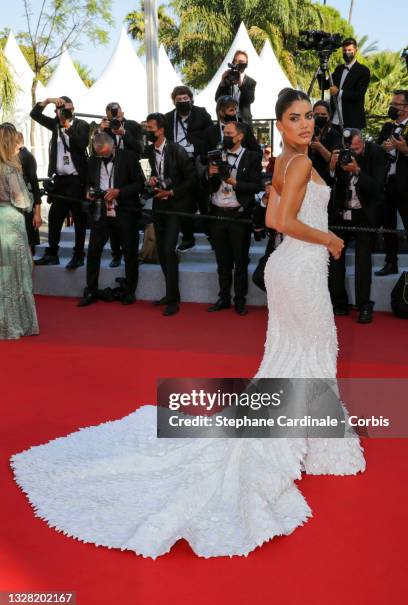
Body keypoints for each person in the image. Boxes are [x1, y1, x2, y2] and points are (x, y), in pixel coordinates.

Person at [9, 90, 365, 560]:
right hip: (302, 265)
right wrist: (329, 238)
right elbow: (280, 218)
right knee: (314, 349)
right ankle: (315, 438)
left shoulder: (286, 161)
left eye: (307, 118)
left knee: (294, 352)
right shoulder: (295, 164)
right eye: (294, 118)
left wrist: (316, 153)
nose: (304, 125)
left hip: (291, 268)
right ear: (278, 124)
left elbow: (281, 208)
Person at [78, 132, 145, 307]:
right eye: (98, 153)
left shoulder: (129, 157)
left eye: (104, 153)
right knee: (93, 252)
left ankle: (130, 291)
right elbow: (88, 183)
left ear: (113, 146)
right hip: (101, 213)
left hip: (124, 212)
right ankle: (91, 290)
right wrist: (88, 192)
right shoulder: (92, 160)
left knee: (130, 253)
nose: (101, 156)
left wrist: (119, 192)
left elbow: (139, 184)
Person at [328, 130, 387, 323]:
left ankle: (364, 305)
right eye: (348, 149)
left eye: (355, 149)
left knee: (363, 260)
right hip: (341, 214)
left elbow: (378, 188)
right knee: (335, 258)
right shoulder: (340, 152)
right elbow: (328, 182)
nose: (351, 153)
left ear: (362, 143)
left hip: (364, 215)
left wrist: (358, 171)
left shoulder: (376, 152)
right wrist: (332, 167)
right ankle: (339, 303)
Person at [205, 121, 262, 315]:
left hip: (239, 214)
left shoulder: (253, 157)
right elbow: (207, 186)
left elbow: (256, 186)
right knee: (222, 261)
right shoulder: (215, 154)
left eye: (229, 133)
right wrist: (209, 174)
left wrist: (234, 182)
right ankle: (223, 298)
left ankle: (240, 300)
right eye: (224, 132)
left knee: (240, 260)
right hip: (218, 213)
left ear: (239, 136)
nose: (225, 136)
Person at [145, 113, 197, 316]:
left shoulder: (177, 150)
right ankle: (171, 294)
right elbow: (153, 172)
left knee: (168, 250)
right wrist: (151, 180)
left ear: (161, 130)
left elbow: (192, 179)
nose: (147, 131)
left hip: (175, 206)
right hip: (158, 206)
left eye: (150, 128)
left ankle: (173, 299)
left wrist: (172, 192)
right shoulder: (149, 151)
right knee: (161, 250)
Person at [30, 96, 89, 269]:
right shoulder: (54, 124)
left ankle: (78, 255)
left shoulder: (81, 125)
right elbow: (34, 114)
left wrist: (67, 126)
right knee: (55, 217)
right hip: (60, 180)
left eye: (66, 108)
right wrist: (47, 101)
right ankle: (52, 254)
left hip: (76, 179)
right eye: (60, 108)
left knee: (79, 219)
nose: (63, 111)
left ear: (73, 107)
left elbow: (81, 143)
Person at [0, 124, 39, 339]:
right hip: (10, 222)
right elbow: (22, 200)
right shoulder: (10, 169)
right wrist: (30, 201)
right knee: (15, 274)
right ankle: (15, 323)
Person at [164, 86, 213, 252]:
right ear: (174, 101)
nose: (183, 102)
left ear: (191, 99)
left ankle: (211, 235)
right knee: (182, 201)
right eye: (179, 100)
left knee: (203, 200)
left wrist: (194, 147)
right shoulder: (168, 118)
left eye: (186, 99)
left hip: (197, 161)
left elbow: (209, 137)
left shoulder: (202, 114)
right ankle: (187, 237)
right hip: (178, 165)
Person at [98, 102, 144, 268]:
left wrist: (124, 133)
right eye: (112, 115)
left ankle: (131, 253)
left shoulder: (132, 125)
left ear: (123, 112)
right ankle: (116, 254)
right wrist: (100, 131)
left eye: (117, 113)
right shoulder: (104, 128)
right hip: (111, 173)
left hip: (129, 172)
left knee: (129, 217)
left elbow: (140, 149)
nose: (115, 117)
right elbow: (95, 151)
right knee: (112, 217)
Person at [375, 90, 408, 276]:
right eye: (392, 103)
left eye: (396, 104)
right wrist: (383, 148)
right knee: (388, 226)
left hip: (406, 186)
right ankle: (390, 262)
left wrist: (404, 149)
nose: (392, 107)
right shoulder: (387, 128)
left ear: (406, 108)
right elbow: (378, 150)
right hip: (387, 184)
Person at [320, 38, 371, 130]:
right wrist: (321, 70)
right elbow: (323, 86)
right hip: (334, 121)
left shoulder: (363, 71)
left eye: (349, 50)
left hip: (352, 122)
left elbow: (359, 95)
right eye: (344, 50)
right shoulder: (339, 69)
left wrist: (339, 92)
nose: (347, 53)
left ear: (356, 50)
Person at [16, 131, 42, 255]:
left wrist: (38, 212)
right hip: (20, 205)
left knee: (28, 246)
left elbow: (35, 184)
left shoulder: (26, 156)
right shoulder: (15, 157)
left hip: (27, 204)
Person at [215, 50, 256, 125]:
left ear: (246, 64)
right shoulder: (228, 78)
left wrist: (241, 84)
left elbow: (250, 100)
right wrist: (222, 82)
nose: (238, 63)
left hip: (243, 121)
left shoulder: (251, 82)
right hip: (226, 120)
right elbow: (217, 99)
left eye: (241, 61)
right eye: (235, 61)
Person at [309, 100, 342, 186]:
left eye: (323, 115)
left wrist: (320, 147)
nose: (320, 117)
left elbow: (334, 160)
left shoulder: (335, 135)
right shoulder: (307, 132)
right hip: (308, 179)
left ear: (329, 116)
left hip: (326, 180)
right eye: (317, 114)